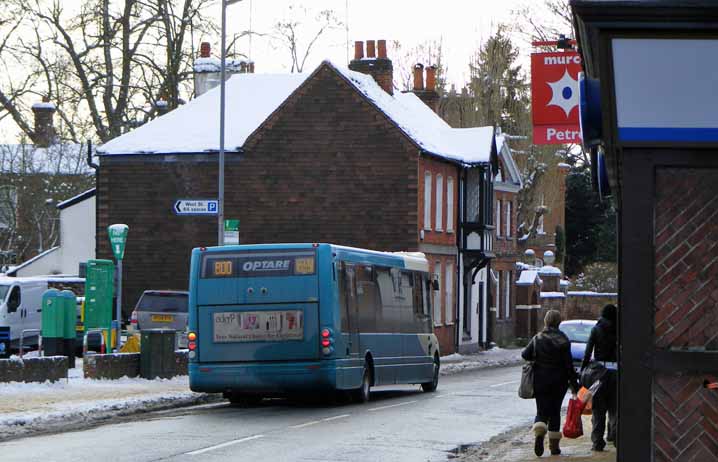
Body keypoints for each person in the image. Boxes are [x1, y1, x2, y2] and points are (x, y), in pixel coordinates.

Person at [522, 310, 579, 457]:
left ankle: (539, 434)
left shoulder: (538, 338)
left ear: (546, 321)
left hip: (540, 380)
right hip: (559, 382)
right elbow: (569, 365)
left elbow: (525, 354)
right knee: (555, 411)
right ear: (559, 322)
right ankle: (554, 447)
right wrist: (574, 385)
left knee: (542, 410)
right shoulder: (564, 340)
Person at [581, 303, 618, 452]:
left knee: (598, 409)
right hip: (616, 372)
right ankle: (615, 436)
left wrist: (583, 370)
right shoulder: (620, 330)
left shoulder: (596, 329)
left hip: (598, 373)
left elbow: (588, 352)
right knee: (615, 408)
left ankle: (597, 442)